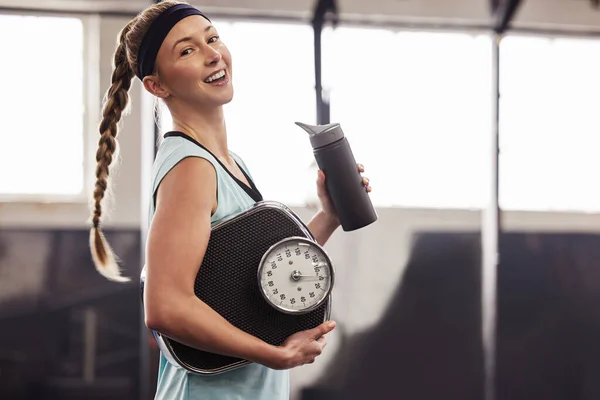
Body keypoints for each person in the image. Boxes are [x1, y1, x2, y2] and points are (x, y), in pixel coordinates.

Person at [87, 1, 372, 399]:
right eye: (187, 50)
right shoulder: (190, 168)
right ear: (157, 85)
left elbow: (250, 278)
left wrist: (329, 217)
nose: (212, 54)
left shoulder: (228, 163)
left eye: (212, 38)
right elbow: (166, 307)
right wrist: (273, 354)